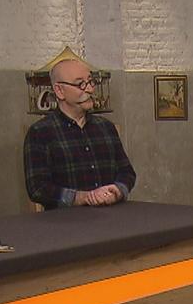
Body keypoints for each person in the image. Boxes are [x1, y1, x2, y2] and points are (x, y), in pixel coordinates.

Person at [23, 58, 136, 209]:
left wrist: (117, 191)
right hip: (66, 221)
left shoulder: (106, 128)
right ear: (59, 91)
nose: (90, 90)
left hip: (111, 218)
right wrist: (83, 198)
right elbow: (38, 188)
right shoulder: (40, 133)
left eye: (91, 82)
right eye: (80, 84)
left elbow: (127, 172)